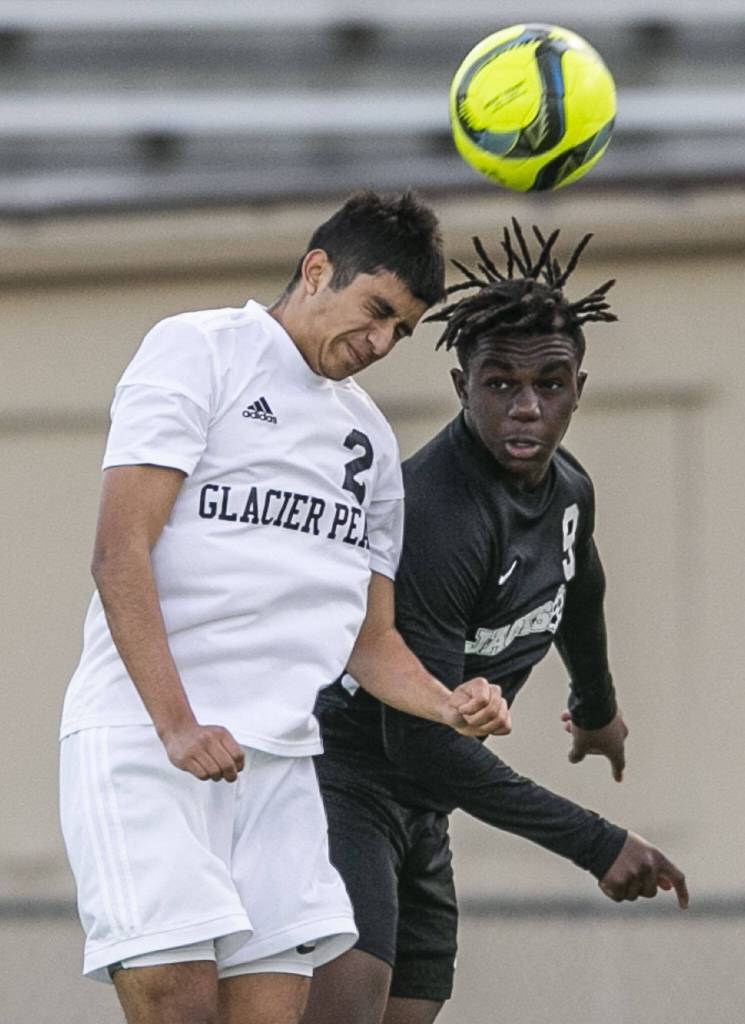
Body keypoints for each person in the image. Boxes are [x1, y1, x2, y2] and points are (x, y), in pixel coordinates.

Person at [58, 191, 512, 1024]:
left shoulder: (368, 439)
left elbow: (368, 638)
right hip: (146, 741)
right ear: (315, 271)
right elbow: (117, 553)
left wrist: (450, 704)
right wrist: (177, 726)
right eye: (375, 310)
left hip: (277, 768)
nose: (380, 342)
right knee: (179, 1001)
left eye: (402, 330)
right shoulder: (197, 349)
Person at [302, 220, 689, 1024]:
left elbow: (579, 586)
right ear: (459, 387)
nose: (526, 408)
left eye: (549, 385)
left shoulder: (569, 490)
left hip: (424, 804)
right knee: (351, 1004)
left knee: (412, 1010)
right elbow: (420, 737)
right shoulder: (437, 513)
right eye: (499, 384)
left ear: (579, 386)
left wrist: (595, 710)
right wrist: (595, 841)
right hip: (345, 780)